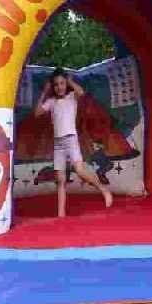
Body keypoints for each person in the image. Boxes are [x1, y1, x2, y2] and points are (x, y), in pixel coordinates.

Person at [35, 68, 113, 217]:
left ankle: (103, 189)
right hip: (58, 143)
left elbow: (81, 92)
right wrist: (44, 92)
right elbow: (37, 112)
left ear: (66, 84)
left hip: (71, 139)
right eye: (56, 84)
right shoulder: (51, 102)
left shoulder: (72, 97)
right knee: (60, 180)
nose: (59, 87)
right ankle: (61, 213)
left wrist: (70, 81)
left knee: (80, 170)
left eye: (62, 83)